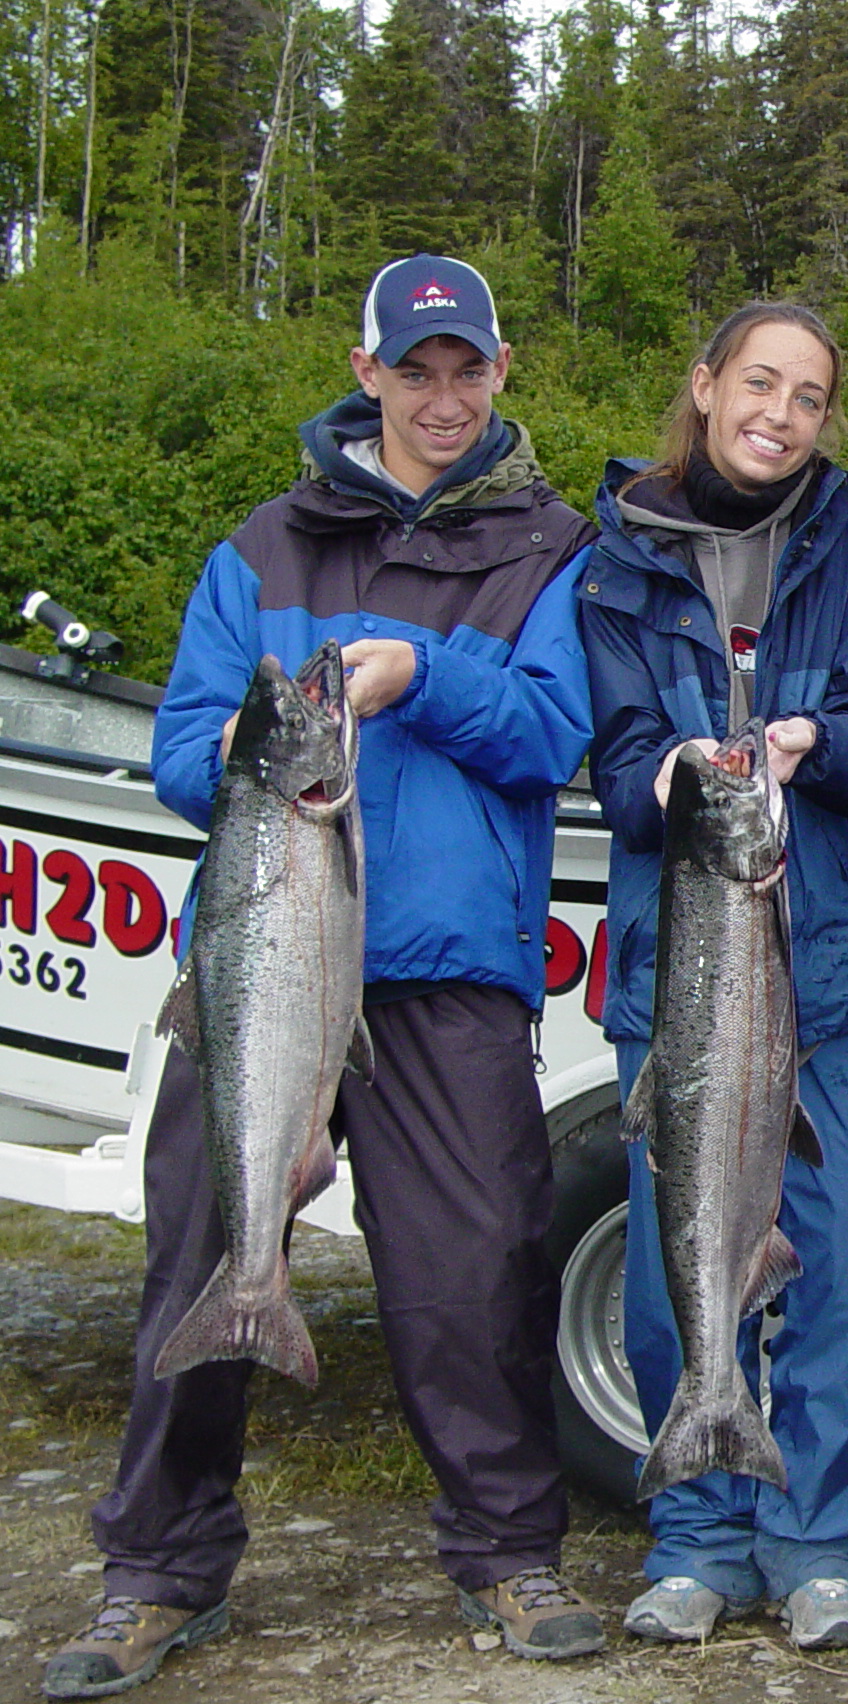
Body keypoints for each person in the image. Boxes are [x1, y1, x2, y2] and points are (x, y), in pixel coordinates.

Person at [45, 255, 602, 1700]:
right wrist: (266, 734)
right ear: (365, 376)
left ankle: (506, 1554)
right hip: (255, 967)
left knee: (474, 1274)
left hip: (448, 974)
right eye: (412, 371)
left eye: (465, 369)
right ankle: (156, 1573)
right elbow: (179, 750)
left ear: (499, 376)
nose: (440, 395)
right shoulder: (260, 549)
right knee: (202, 1250)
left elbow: (554, 735)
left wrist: (419, 668)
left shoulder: (553, 547)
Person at [579, 301, 848, 1652]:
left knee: (844, 1273)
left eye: (808, 394)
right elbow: (608, 757)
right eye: (758, 381)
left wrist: (808, 742)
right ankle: (700, 1537)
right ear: (706, 382)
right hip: (681, 976)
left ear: (827, 417)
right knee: (683, 1268)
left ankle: (823, 1545)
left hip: (831, 971)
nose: (779, 411)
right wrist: (666, 777)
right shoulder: (611, 560)